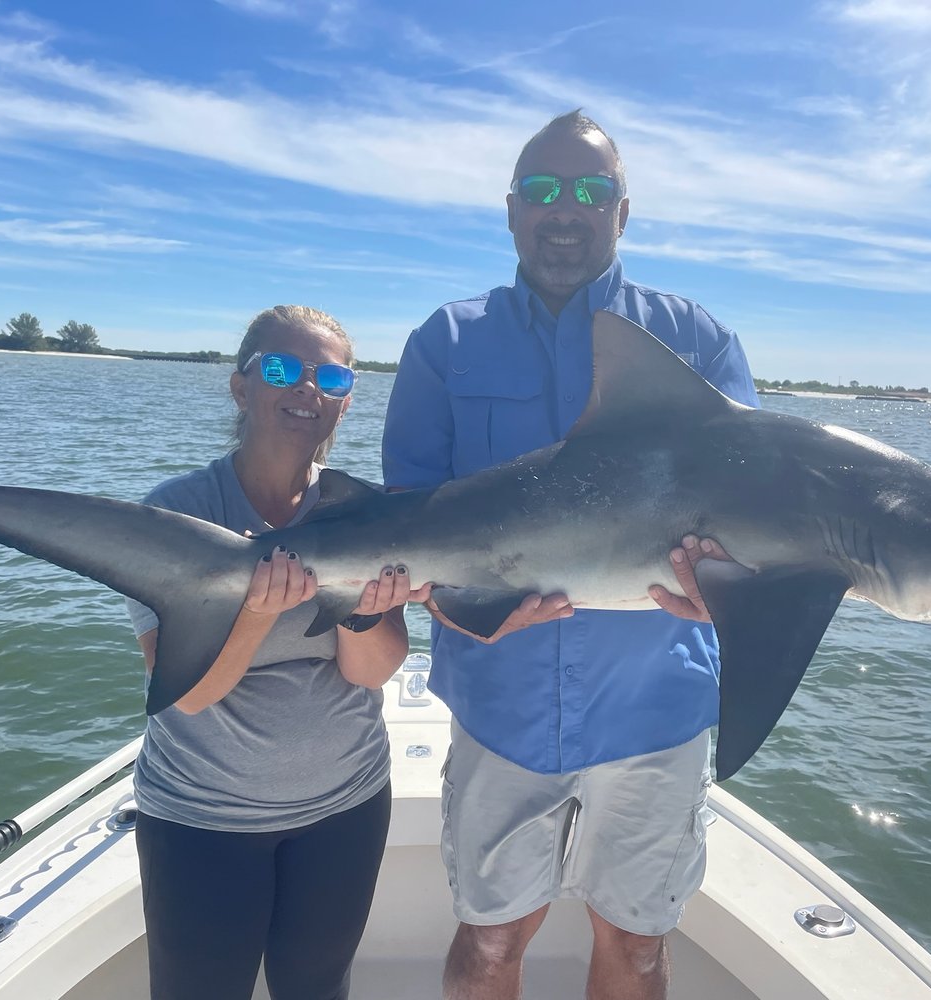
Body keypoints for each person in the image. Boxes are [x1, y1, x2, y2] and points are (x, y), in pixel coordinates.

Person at [382, 111, 760, 999]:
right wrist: (443, 601)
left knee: (634, 947)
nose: (565, 208)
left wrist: (731, 594)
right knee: (486, 946)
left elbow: (755, 509)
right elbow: (406, 522)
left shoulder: (695, 343)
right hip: (499, 698)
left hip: (655, 705)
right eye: (544, 190)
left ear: (621, 214)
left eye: (590, 191)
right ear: (510, 210)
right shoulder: (446, 342)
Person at [125, 305, 426, 1000]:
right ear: (240, 387)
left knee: (318, 989)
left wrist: (365, 612)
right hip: (203, 816)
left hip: (344, 807)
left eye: (333, 377)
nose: (308, 390)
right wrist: (256, 614)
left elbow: (371, 673)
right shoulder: (176, 516)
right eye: (284, 369)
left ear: (347, 401)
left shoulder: (366, 512)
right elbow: (188, 696)